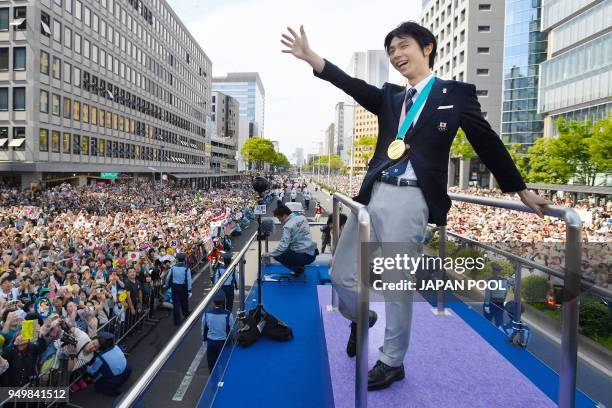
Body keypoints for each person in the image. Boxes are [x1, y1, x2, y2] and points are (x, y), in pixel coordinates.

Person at [281, 22, 549, 390]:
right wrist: (312, 58)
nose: (396, 55)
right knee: (342, 273)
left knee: (396, 283)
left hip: (412, 198)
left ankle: (392, 361)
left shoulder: (457, 94)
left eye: (402, 46)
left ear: (428, 47)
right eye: (391, 50)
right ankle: (362, 316)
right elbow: (350, 84)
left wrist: (521, 190)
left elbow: (487, 143)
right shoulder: (390, 96)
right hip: (373, 195)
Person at [262, 204, 318, 277]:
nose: (279, 220)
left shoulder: (288, 226)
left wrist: (269, 254)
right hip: (312, 253)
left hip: (304, 257)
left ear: (284, 215)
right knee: (287, 250)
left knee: (277, 254)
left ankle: (298, 269)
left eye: (279, 218)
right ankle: (299, 267)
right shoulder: (302, 218)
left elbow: (282, 246)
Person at [84, 332, 131, 396]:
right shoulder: (115, 346)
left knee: (97, 386)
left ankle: (112, 392)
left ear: (99, 349)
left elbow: (92, 371)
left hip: (116, 378)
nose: (92, 346)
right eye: (93, 343)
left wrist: (84, 366)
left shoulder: (101, 358)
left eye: (95, 346)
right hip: (127, 370)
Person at [201, 291, 234, 372]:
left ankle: (212, 382)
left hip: (211, 343)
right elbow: (232, 329)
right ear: (224, 301)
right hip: (223, 343)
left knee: (212, 366)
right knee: (224, 366)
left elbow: (203, 329)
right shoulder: (228, 314)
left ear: (213, 301)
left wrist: (205, 341)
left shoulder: (206, 313)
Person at [164, 253, 192, 326]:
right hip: (183, 287)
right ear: (184, 259)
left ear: (177, 259)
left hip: (175, 287)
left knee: (176, 304)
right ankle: (185, 313)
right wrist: (189, 290)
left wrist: (166, 285)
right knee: (184, 301)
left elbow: (168, 277)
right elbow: (189, 280)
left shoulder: (173, 267)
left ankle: (177, 321)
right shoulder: (186, 268)